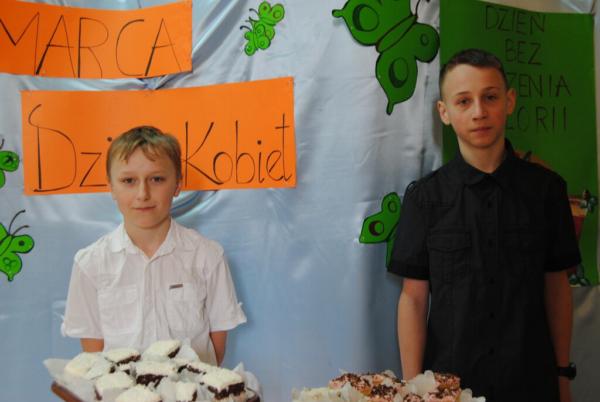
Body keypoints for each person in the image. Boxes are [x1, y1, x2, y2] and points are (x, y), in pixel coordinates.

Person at [390, 49, 580, 402]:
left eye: (490, 97)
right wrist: (412, 390)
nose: (479, 112)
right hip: (448, 389)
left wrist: (562, 375)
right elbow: (413, 300)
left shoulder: (547, 191)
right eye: (464, 101)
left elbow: (557, 287)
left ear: (509, 101)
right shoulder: (425, 199)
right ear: (444, 112)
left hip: (531, 384)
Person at [62, 126, 246, 366]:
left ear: (177, 184)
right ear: (111, 187)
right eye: (128, 181)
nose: (143, 194)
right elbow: (94, 357)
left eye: (157, 179)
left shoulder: (208, 257)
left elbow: (215, 352)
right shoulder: (90, 264)